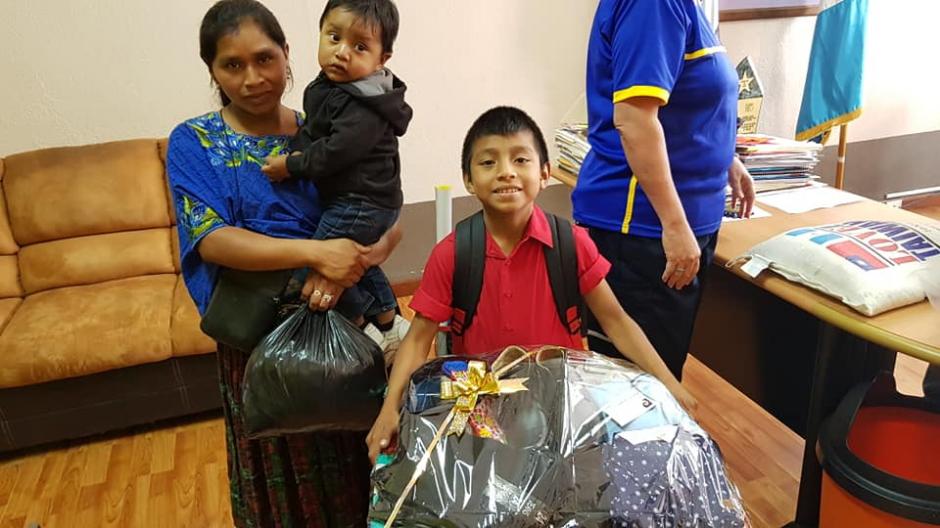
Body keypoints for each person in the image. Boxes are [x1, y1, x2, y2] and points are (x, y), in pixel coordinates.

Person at [166, 1, 401, 525]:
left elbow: (385, 203)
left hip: (344, 328)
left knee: (355, 460)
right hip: (260, 339)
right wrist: (318, 254)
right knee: (279, 475)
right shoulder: (195, 142)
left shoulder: (330, 126)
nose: (252, 78)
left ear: (288, 54)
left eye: (264, 59)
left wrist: (372, 251)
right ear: (212, 71)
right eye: (232, 65)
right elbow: (212, 240)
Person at [366, 106, 698, 462]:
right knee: (492, 490)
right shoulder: (453, 254)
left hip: (562, 401)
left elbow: (617, 321)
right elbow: (418, 341)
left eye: (520, 159)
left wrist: (669, 383)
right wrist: (389, 409)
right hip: (482, 408)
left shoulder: (572, 244)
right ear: (468, 180)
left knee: (566, 493)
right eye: (488, 162)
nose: (506, 172)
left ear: (544, 174)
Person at [572, 0, 756, 380]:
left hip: (675, 222)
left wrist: (725, 158)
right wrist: (673, 224)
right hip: (643, 231)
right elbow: (635, 119)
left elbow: (687, 98)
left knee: (659, 374)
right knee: (636, 389)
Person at [261, 0, 411, 359]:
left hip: (363, 203)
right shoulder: (332, 84)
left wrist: (291, 165)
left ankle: (362, 332)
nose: (341, 52)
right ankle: (390, 323)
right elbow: (315, 132)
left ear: (382, 59)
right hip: (365, 200)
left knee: (319, 268)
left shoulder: (364, 103)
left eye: (360, 46)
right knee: (358, 259)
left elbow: (335, 151)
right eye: (333, 37)